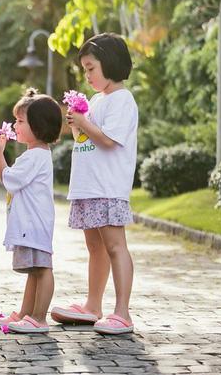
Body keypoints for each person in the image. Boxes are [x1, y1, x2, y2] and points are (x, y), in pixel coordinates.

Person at [50, 33, 138, 335]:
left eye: (91, 68)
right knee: (95, 248)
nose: (86, 75)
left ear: (110, 64)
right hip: (88, 186)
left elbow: (109, 140)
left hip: (108, 187)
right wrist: (77, 124)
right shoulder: (99, 100)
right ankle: (93, 306)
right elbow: (86, 140)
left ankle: (122, 312)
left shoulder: (122, 100)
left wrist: (85, 122)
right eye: (85, 69)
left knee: (115, 247)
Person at [0, 88, 63, 333]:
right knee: (35, 271)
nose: (15, 125)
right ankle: (26, 313)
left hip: (34, 224)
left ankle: (39, 317)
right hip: (31, 224)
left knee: (42, 269)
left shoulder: (35, 157)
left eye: (21, 121)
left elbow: (8, 179)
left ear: (39, 125)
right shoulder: (33, 155)